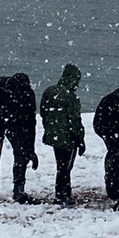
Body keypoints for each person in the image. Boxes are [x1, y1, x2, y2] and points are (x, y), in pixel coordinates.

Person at [0, 73, 39, 202]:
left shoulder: (28, 94)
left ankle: (19, 191)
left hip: (15, 122)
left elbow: (30, 124)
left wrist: (30, 149)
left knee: (22, 154)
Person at [39, 64, 86, 205]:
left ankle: (62, 193)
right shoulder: (71, 98)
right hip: (68, 138)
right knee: (66, 167)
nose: (77, 84)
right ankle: (63, 195)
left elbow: (43, 113)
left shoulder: (49, 91)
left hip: (54, 135)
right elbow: (75, 121)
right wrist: (80, 139)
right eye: (77, 80)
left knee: (60, 165)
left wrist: (50, 129)